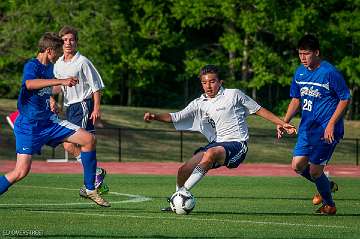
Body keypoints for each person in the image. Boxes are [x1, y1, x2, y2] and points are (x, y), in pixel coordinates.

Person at [143, 64, 297, 212]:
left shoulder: (233, 94)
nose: (208, 86)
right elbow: (175, 117)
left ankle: (181, 195)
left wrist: (282, 123)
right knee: (183, 170)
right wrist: (154, 116)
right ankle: (175, 202)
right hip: (216, 144)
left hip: (237, 145)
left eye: (212, 81)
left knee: (211, 153)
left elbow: (259, 110)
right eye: (204, 82)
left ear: (220, 82)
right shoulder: (199, 103)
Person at [0, 32, 110, 207]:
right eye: (57, 52)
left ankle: (90, 187)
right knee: (21, 172)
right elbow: (29, 84)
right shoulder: (32, 65)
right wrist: (60, 82)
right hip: (29, 126)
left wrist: (51, 99)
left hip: (49, 122)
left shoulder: (51, 67)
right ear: (49, 50)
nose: (59, 55)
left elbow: (46, 88)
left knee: (89, 139)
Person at [278, 34, 350, 215]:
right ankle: (327, 186)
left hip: (326, 130)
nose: (303, 58)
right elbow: (296, 99)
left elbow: (344, 98)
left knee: (316, 171)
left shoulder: (329, 72)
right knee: (297, 166)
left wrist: (331, 124)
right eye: (300, 54)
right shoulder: (299, 72)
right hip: (306, 129)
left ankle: (329, 205)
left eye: (306, 54)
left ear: (316, 53)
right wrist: (283, 122)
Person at [53, 26, 108, 196]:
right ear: (61, 43)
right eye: (65, 40)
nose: (68, 43)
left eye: (71, 39)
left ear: (76, 42)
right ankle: (96, 173)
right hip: (70, 107)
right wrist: (52, 100)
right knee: (67, 144)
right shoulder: (58, 63)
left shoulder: (82, 61)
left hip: (83, 105)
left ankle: (91, 182)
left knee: (84, 142)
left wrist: (97, 107)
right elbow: (55, 86)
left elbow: (96, 85)